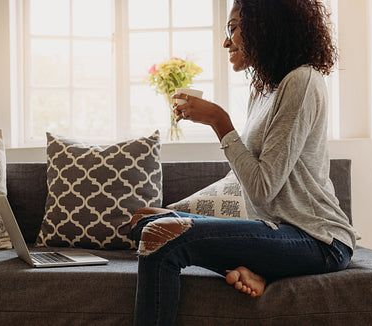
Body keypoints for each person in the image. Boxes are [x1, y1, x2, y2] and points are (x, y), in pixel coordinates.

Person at [129, 0, 357, 325]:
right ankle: (265, 271)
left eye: (232, 28)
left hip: (317, 239)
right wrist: (183, 213)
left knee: (160, 236)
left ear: (266, 25)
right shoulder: (263, 90)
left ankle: (268, 269)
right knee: (144, 221)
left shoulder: (302, 81)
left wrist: (220, 122)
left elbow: (263, 188)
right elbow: (251, 188)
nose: (226, 41)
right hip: (272, 231)